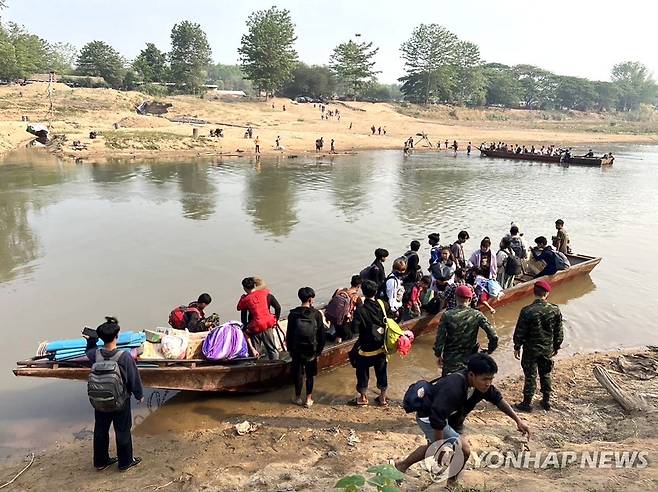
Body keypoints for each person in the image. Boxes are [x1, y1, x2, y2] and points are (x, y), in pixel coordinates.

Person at [394, 354, 531, 486]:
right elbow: (437, 417)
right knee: (464, 449)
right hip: (429, 417)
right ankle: (451, 482)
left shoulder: (481, 386)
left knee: (443, 448)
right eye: (485, 379)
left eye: (491, 379)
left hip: (453, 417)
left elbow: (497, 399)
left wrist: (518, 420)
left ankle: (403, 466)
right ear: (471, 375)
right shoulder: (454, 387)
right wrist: (440, 446)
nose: (488, 383)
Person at [85, 317, 143, 471]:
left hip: (99, 401)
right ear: (117, 336)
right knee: (122, 430)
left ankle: (100, 462)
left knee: (100, 431)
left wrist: (91, 340)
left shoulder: (94, 355)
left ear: (101, 338)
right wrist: (139, 395)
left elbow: (88, 350)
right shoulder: (124, 357)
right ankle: (125, 462)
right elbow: (133, 378)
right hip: (120, 401)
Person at [513, 280, 563, 411]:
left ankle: (527, 403)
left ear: (534, 292)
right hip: (546, 348)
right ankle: (546, 401)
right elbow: (559, 331)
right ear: (547, 293)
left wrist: (517, 346)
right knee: (545, 373)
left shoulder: (527, 311)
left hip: (530, 349)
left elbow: (520, 331)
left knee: (530, 375)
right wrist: (556, 346)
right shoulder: (555, 310)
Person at [434, 285, 498, 376]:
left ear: (455, 297)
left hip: (451, 361)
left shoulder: (447, 315)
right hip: (471, 360)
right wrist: (490, 350)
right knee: (468, 384)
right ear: (470, 299)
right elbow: (493, 335)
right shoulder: (477, 315)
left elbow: (440, 338)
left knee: (449, 386)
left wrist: (438, 354)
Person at [287, 287, 327, 408]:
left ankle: (298, 397)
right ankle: (308, 399)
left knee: (298, 374)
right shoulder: (316, 314)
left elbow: (289, 334)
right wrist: (319, 351)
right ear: (310, 299)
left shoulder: (293, 314)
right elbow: (321, 335)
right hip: (312, 350)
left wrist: (290, 349)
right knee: (310, 375)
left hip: (297, 349)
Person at [351, 280, 388, 406]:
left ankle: (363, 398)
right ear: (376, 292)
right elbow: (393, 318)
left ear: (363, 292)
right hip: (381, 347)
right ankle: (382, 398)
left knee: (362, 372)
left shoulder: (360, 310)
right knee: (382, 372)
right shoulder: (383, 305)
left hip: (365, 349)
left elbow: (354, 330)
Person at [237, 277, 282, 360]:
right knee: (272, 349)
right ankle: (276, 364)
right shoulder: (266, 294)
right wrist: (276, 320)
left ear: (244, 288)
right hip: (267, 324)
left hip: (255, 327)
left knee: (256, 351)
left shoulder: (245, 299)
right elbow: (278, 307)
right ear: (255, 285)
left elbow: (243, 316)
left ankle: (258, 366)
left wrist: (246, 327)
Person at [326, 275, 363, 342]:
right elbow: (361, 312)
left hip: (333, 318)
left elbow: (332, 302)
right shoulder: (356, 298)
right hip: (344, 322)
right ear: (359, 286)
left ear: (351, 282)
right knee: (350, 336)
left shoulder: (339, 290)